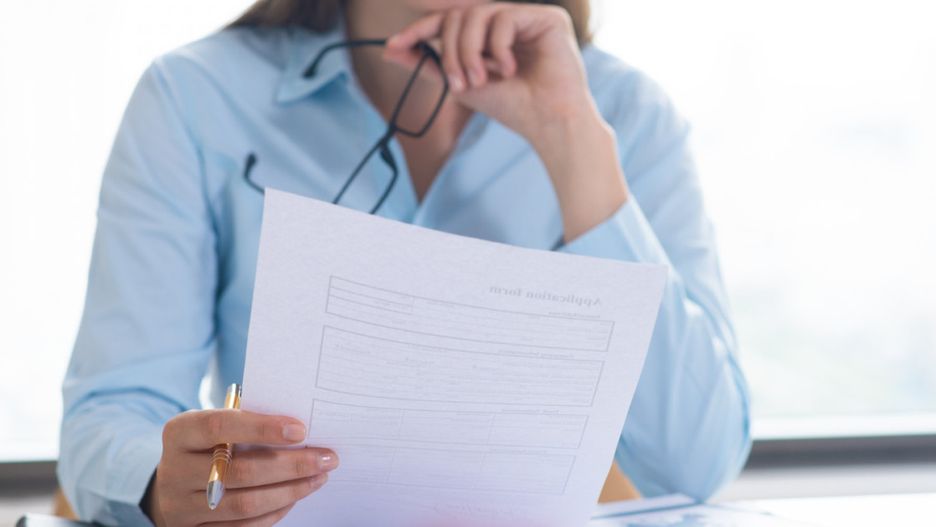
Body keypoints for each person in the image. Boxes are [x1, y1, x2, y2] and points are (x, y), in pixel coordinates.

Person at [58, 0, 751, 525]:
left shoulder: (625, 111)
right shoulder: (194, 95)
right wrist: (163, 485)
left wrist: (573, 139)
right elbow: (111, 412)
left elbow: (697, 461)